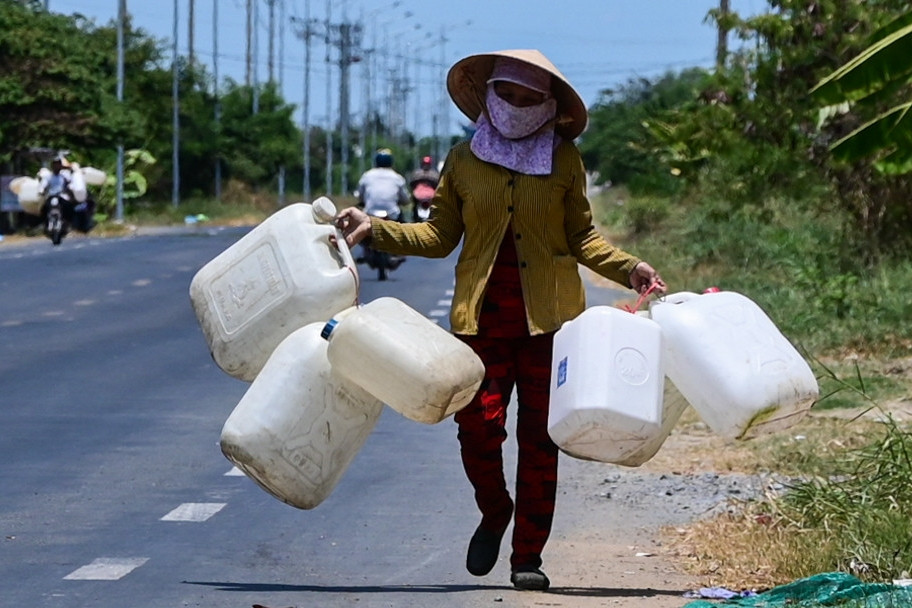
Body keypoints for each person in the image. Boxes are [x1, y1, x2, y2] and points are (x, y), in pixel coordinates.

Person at [335, 49, 666, 592]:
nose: (514, 104)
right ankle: (495, 509)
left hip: (549, 325)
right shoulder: (463, 160)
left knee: (541, 439)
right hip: (481, 321)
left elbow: (581, 237)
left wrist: (630, 267)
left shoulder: (564, 161)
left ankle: (527, 557)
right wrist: (375, 227)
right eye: (505, 93)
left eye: (528, 97)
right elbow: (439, 236)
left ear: (548, 105)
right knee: (478, 430)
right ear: (488, 97)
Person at [356, 148, 409, 268]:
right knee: (404, 228)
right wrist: (403, 202)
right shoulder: (397, 177)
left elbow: (360, 194)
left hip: (370, 212)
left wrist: (362, 201)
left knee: (359, 228)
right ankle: (400, 251)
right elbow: (405, 198)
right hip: (392, 213)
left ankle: (365, 250)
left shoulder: (367, 175)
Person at [408, 155, 440, 222]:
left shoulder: (417, 173)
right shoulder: (434, 174)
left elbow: (411, 185)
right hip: (423, 197)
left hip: (425, 197)